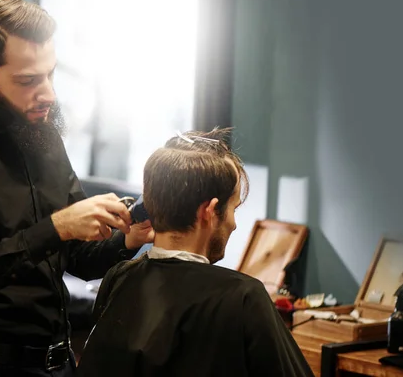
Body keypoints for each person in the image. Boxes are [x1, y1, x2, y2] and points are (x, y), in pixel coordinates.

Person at [0, 0, 154, 377]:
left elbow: (78, 259)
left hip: (57, 364)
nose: (49, 94)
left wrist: (128, 240)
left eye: (50, 74)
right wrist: (56, 227)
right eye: (28, 81)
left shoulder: (43, 135)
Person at [77, 129, 314, 377]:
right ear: (209, 212)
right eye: (233, 208)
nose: (233, 223)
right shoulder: (243, 297)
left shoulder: (119, 278)